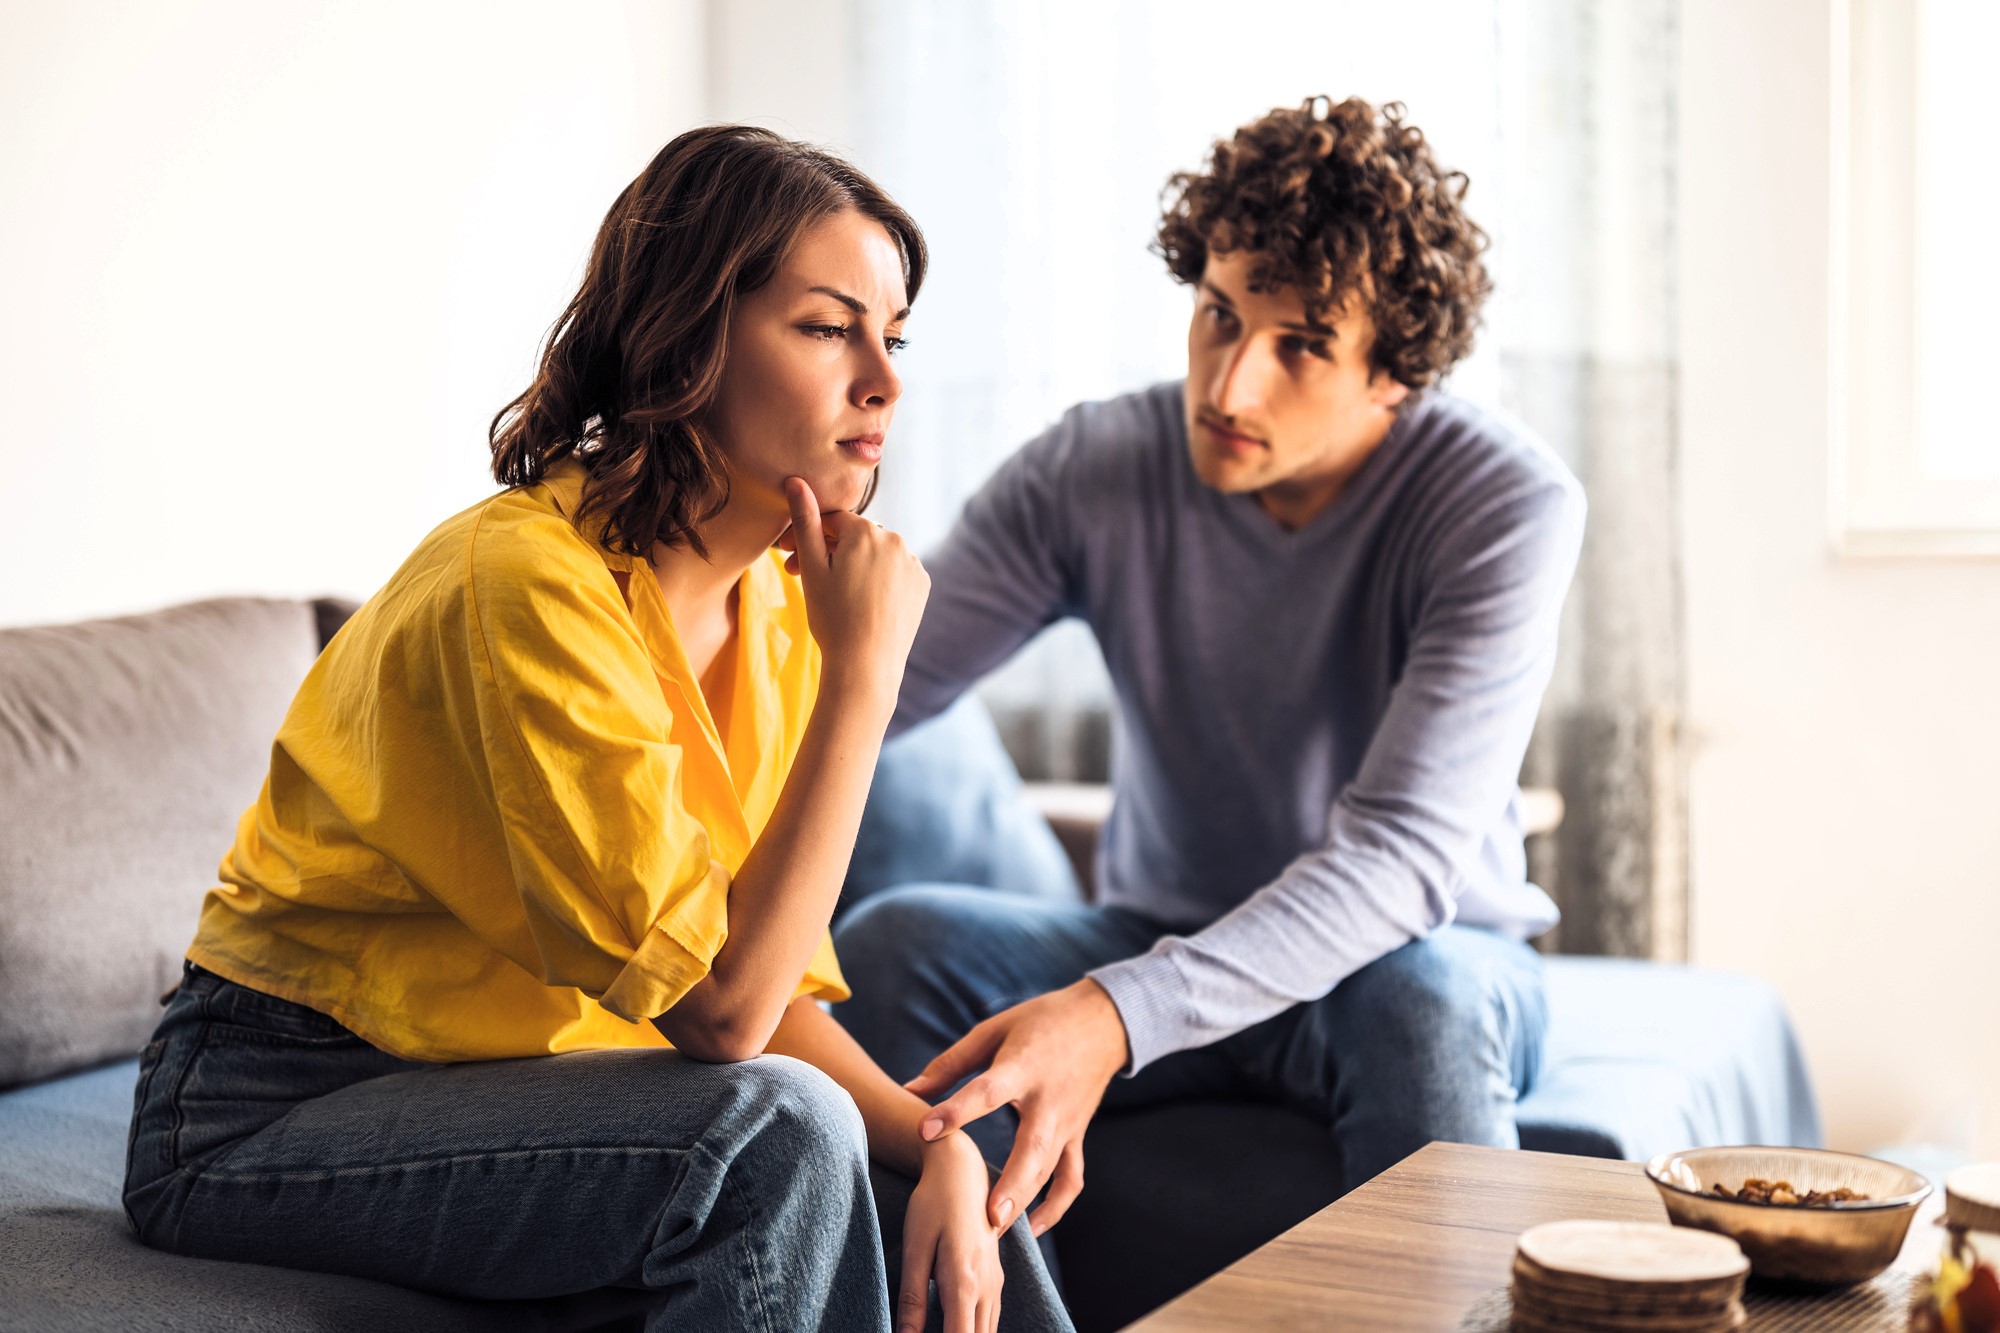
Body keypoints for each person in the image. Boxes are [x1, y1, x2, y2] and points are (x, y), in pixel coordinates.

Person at [122, 123, 1071, 1333]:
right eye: (830, 328)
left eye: (891, 337)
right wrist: (863, 681)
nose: (881, 379)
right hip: (268, 1103)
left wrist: (937, 1145)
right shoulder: (524, 585)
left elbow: (773, 997)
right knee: (773, 1131)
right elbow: (724, 1019)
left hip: (525, 1089)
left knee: (944, 1180)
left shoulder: (777, 602)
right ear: (689, 334)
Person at [833, 96, 1588, 1246]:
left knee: (1419, 1004)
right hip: (1152, 928)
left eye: (1300, 347)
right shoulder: (1096, 465)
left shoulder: (1502, 504)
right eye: (1218, 316)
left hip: (1404, 959)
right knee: (893, 948)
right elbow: (883, 680)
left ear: (1395, 373)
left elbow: (1397, 862)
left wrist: (1111, 1015)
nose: (1228, 389)